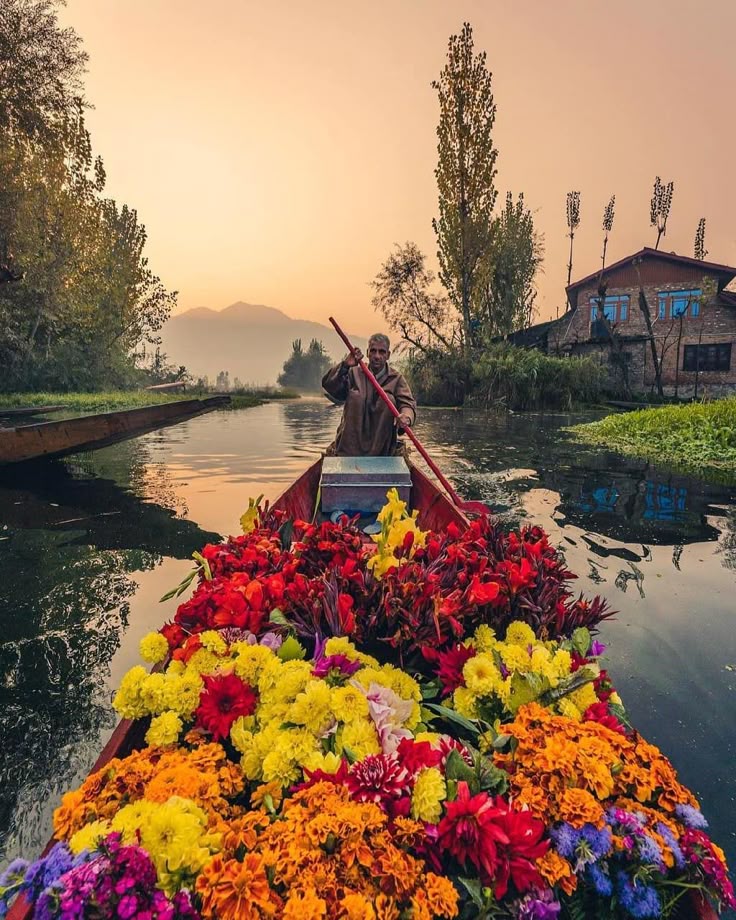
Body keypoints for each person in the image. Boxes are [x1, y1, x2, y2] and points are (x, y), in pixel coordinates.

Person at [322, 333, 416, 456]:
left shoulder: (396, 378)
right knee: (356, 397)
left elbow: (407, 404)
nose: (377, 356)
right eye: (373, 351)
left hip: (383, 451)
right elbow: (331, 386)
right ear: (367, 353)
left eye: (382, 352)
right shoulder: (353, 373)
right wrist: (345, 365)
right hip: (349, 449)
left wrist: (406, 418)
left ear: (388, 355)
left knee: (387, 399)